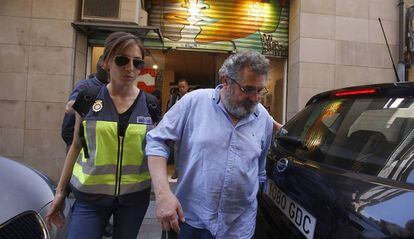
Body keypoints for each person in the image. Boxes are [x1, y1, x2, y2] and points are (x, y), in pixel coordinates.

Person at [146, 51, 274, 238]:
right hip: (191, 222)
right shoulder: (194, 102)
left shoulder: (263, 117)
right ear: (226, 80)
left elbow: (260, 171)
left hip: (239, 228)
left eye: (260, 90)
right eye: (248, 89)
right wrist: (163, 194)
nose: (255, 98)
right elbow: (157, 141)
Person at [46, 31, 154, 239]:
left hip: (134, 200)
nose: (130, 68)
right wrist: (60, 192)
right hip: (90, 197)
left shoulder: (150, 105)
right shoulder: (88, 99)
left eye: (137, 62)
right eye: (122, 60)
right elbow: (76, 146)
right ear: (106, 63)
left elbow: (156, 151)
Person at [61, 55, 108, 152]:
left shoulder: (111, 89)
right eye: (108, 70)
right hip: (79, 142)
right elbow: (70, 108)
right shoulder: (85, 85)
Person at [166, 78, 189, 180]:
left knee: (189, 149)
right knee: (176, 150)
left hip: (189, 127)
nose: (181, 88)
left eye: (183, 86)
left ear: (187, 87)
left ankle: (186, 172)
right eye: (179, 86)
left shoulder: (192, 97)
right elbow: (169, 111)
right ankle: (177, 170)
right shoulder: (175, 97)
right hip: (178, 127)